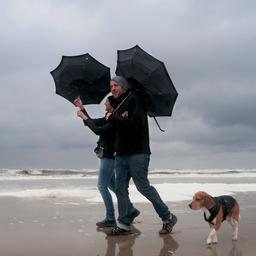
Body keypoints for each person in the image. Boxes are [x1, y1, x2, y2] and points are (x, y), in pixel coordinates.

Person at [107, 76, 177, 235]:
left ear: (123, 86)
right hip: (121, 154)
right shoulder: (119, 104)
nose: (112, 89)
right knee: (120, 188)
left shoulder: (135, 99)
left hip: (138, 152)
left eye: (115, 85)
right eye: (111, 86)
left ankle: (168, 217)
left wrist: (116, 118)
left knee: (143, 187)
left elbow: (136, 124)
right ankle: (124, 223)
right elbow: (117, 129)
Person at [74, 96, 140, 228]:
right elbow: (93, 122)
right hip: (107, 156)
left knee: (102, 186)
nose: (104, 103)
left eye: (107, 102)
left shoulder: (114, 120)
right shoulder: (108, 118)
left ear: (112, 105)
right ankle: (131, 210)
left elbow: (97, 130)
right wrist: (82, 108)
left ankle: (110, 217)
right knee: (113, 186)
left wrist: (83, 117)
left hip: (109, 156)